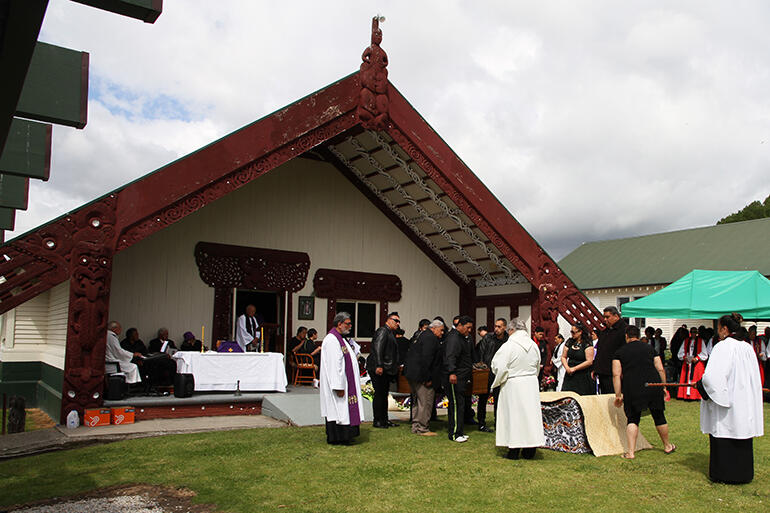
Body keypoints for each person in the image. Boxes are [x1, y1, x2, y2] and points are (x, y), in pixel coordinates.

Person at [696, 313, 764, 484]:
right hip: (744, 399)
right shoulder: (747, 347)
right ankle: (743, 473)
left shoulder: (723, 347)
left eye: (719, 328)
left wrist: (702, 386)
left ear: (725, 329)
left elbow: (712, 378)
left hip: (727, 401)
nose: (718, 332)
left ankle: (724, 474)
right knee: (741, 431)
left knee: (726, 430)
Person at [612, 325, 676, 459]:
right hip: (653, 384)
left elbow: (616, 375)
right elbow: (660, 369)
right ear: (638, 335)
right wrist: (663, 387)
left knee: (633, 418)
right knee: (658, 416)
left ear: (626, 336)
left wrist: (618, 395)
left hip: (632, 386)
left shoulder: (620, 352)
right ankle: (667, 445)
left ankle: (630, 452)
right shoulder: (650, 348)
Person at [491, 319, 545, 460]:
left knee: (514, 417)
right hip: (530, 383)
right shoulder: (533, 345)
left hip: (513, 385)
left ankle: (513, 450)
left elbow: (499, 366)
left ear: (511, 330)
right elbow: (538, 365)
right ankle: (530, 450)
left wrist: (499, 380)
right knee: (530, 417)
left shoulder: (508, 346)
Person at [319, 312, 364, 445]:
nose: (350, 326)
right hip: (339, 385)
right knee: (339, 412)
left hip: (346, 383)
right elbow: (334, 365)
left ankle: (347, 435)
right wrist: (338, 386)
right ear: (339, 324)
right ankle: (339, 437)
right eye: (348, 323)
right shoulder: (332, 340)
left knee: (343, 412)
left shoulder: (341, 338)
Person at [403, 319, 444, 436]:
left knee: (417, 401)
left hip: (412, 374)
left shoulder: (421, 335)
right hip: (422, 376)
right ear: (434, 328)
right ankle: (422, 428)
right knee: (425, 402)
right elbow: (427, 359)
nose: (442, 333)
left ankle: (416, 426)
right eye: (441, 330)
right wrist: (428, 378)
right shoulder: (430, 338)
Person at [366, 312, 400, 428]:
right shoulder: (382, 331)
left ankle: (384, 419)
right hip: (379, 368)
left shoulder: (389, 333)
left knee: (384, 394)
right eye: (396, 320)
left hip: (385, 368)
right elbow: (378, 348)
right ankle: (378, 420)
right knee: (379, 394)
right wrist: (379, 365)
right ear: (388, 320)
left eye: (398, 321)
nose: (398, 323)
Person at [474, 317, 508, 432]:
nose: (496, 329)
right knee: (483, 397)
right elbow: (481, 353)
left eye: (499, 326)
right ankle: (481, 423)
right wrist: (482, 367)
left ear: (504, 327)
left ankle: (499, 422)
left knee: (500, 398)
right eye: (495, 326)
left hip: (501, 372)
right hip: (488, 371)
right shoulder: (488, 337)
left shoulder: (508, 340)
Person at [444, 315, 474, 442]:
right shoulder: (454, 338)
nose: (469, 330)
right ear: (460, 326)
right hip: (456, 376)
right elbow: (450, 356)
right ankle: (455, 433)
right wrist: (452, 372)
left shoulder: (462, 338)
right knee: (456, 404)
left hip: (462, 376)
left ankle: (459, 431)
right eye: (467, 327)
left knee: (461, 404)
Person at [594, 306, 627, 393]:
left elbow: (625, 352)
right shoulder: (605, 332)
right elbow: (600, 351)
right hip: (603, 371)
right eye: (604, 317)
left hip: (616, 372)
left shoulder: (624, 331)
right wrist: (596, 368)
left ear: (616, 316)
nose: (605, 319)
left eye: (607, 317)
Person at [561, 324, 595, 395]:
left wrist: (575, 368)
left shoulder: (587, 343)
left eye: (574, 332)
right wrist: (567, 367)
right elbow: (564, 356)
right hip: (570, 373)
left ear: (580, 332)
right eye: (571, 332)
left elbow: (589, 361)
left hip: (582, 374)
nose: (572, 334)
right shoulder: (570, 342)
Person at [677, 327, 708, 400]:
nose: (693, 333)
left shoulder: (701, 341)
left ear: (697, 333)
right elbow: (680, 353)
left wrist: (697, 358)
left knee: (696, 378)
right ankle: (686, 395)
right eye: (692, 332)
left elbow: (704, 353)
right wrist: (684, 357)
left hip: (697, 364)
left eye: (695, 332)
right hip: (688, 363)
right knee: (686, 378)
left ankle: (696, 396)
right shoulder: (686, 341)